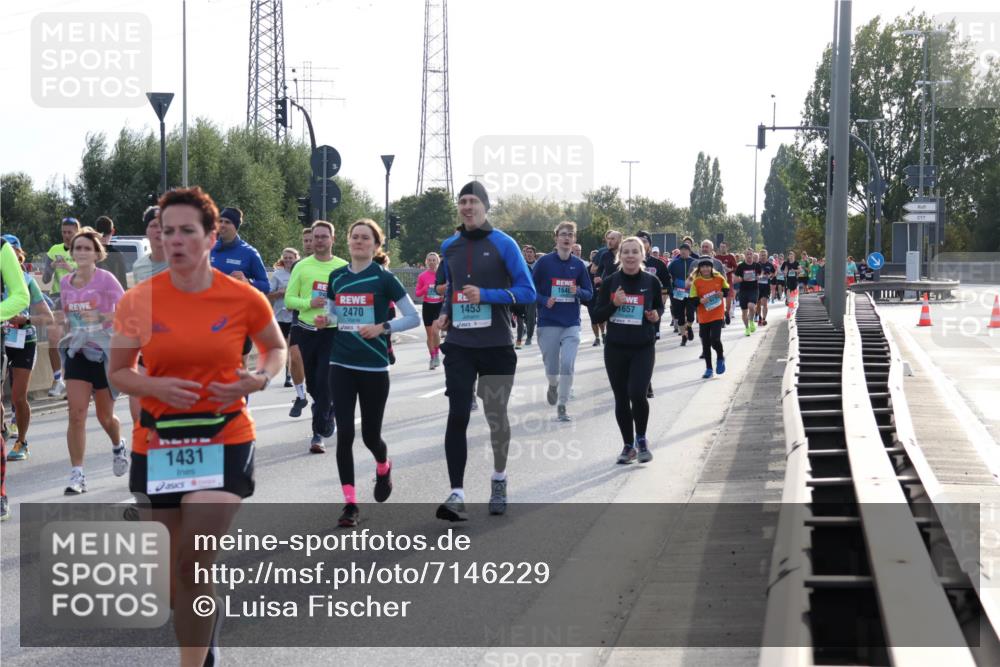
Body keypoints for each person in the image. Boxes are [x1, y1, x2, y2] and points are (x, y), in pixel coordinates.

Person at [110, 186, 286, 667]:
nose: (176, 240)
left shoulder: (243, 297)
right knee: (173, 580)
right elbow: (118, 372)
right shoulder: (138, 300)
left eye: (188, 230)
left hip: (224, 435)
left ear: (212, 237)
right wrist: (157, 388)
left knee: (194, 561)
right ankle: (203, 643)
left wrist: (260, 377)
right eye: (168, 232)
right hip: (159, 439)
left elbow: (274, 349)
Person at [435, 181, 535, 521]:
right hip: (460, 345)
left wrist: (488, 296)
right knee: (458, 413)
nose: (467, 207)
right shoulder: (449, 245)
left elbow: (527, 291)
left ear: (485, 207)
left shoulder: (504, 243)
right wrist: (446, 312)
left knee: (495, 416)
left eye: (473, 201)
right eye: (462, 201)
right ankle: (457, 493)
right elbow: (451, 289)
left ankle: (499, 478)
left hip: (496, 345)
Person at [320, 219, 420, 527]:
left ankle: (383, 465)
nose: (359, 242)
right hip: (341, 363)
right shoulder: (336, 276)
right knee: (345, 434)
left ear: (376, 246)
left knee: (370, 436)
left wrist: (382, 327)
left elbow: (413, 318)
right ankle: (350, 504)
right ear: (347, 242)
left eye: (366, 238)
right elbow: (332, 310)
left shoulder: (384, 278)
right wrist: (325, 318)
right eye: (355, 237)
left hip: (374, 366)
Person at [59, 227, 128, 494]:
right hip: (77, 352)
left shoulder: (107, 280)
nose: (82, 252)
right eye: (78, 248)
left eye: (88, 248)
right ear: (72, 252)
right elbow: (67, 316)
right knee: (76, 414)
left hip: (103, 352)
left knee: (104, 416)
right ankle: (77, 475)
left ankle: (118, 444)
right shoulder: (66, 282)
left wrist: (100, 319)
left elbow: (125, 311)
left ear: (97, 253)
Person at [591, 236, 663, 464]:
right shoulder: (611, 281)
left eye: (635, 252)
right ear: (619, 256)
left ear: (643, 255)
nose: (630, 256)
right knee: (621, 398)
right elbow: (597, 315)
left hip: (643, 347)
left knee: (637, 393)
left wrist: (654, 316)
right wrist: (614, 304)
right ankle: (627, 445)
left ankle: (641, 439)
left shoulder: (651, 282)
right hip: (615, 349)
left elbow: (658, 309)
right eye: (626, 252)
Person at [284, 220, 347, 452]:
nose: (320, 241)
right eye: (316, 237)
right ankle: (327, 408)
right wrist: (309, 303)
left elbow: (349, 302)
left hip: (332, 333)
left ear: (333, 239)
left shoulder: (343, 267)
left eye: (324, 236)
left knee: (323, 380)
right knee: (313, 385)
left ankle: (318, 433)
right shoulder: (302, 266)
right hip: (306, 330)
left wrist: (333, 312)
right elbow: (290, 301)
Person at [532, 221, 593, 422]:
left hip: (571, 323)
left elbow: (589, 294)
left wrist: (579, 292)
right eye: (563, 234)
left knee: (567, 363)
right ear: (556, 238)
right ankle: (552, 384)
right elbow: (530, 290)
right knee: (552, 366)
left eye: (570, 235)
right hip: (548, 322)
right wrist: (543, 300)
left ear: (574, 240)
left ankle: (562, 405)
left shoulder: (578, 265)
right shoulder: (544, 263)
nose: (566, 238)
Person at [3, 241, 55, 462]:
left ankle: (21, 441)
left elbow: (47, 318)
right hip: (2, 339)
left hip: (24, 341)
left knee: (17, 396)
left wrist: (25, 318)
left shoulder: (27, 282)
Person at [210, 207, 270, 362]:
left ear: (236, 226)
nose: (222, 225)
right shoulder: (209, 250)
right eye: (220, 221)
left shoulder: (249, 253)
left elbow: (266, 285)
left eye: (227, 222)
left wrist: (248, 282)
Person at [1, 236, 30, 520]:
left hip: (18, 340)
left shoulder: (1, 248)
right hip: (9, 338)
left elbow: (22, 297)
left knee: (13, 401)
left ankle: (0, 493)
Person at [42, 216, 80, 397]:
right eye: (63, 232)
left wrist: (69, 267)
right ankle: (58, 380)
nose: (66, 236)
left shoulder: (83, 249)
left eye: (69, 232)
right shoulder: (54, 250)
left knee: (76, 342)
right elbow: (45, 279)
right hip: (58, 298)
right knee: (53, 339)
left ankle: (76, 380)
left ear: (77, 233)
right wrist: (50, 267)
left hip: (80, 300)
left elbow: (90, 276)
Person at [690, 258, 730, 379]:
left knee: (715, 339)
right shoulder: (696, 282)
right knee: (706, 343)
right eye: (703, 267)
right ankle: (708, 368)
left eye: (708, 266)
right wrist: (700, 300)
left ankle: (720, 357)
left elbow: (726, 289)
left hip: (717, 314)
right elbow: (692, 299)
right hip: (703, 316)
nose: (705, 269)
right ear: (699, 269)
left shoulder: (719, 278)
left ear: (711, 268)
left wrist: (723, 293)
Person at [269, 247, 299, 386]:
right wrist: (279, 293)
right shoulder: (277, 275)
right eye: (285, 258)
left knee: (292, 347)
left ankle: (288, 375)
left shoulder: (300, 273)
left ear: (296, 259)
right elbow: (268, 295)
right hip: (280, 316)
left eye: (290, 258)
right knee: (282, 347)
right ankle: (281, 373)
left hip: (295, 316)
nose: (288, 260)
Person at [414, 251, 444, 369]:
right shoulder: (422, 276)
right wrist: (425, 289)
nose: (432, 262)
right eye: (429, 260)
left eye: (434, 260)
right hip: (427, 306)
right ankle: (432, 357)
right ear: (426, 262)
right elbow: (417, 293)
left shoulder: (442, 275)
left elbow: (448, 288)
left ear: (438, 262)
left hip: (439, 305)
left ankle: (436, 354)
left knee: (436, 332)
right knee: (430, 335)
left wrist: (443, 294)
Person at [666, 243, 698, 346]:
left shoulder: (694, 262)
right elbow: (667, 275)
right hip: (678, 292)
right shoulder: (674, 263)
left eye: (686, 250)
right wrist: (672, 284)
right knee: (679, 316)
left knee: (690, 314)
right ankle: (684, 336)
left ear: (689, 251)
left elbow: (699, 276)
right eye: (682, 250)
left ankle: (689, 326)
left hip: (691, 292)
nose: (683, 251)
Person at [132, 206, 168, 283]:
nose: (159, 230)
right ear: (146, 231)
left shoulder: (182, 263)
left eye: (163, 226)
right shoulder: (138, 266)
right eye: (154, 226)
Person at [513, 245, 539, 348]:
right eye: (527, 252)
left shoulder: (538, 266)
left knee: (531, 316)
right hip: (521, 294)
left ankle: (529, 337)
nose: (528, 254)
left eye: (530, 252)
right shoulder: (521, 265)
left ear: (534, 254)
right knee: (520, 316)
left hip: (533, 294)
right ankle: (519, 338)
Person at [94, 215, 129, 288]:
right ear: (112, 231)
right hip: (113, 296)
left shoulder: (89, 253)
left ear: (96, 231)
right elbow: (122, 283)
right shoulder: (117, 255)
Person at [733, 249, 760, 336]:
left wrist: (759, 277)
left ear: (753, 255)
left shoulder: (757, 265)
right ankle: (747, 328)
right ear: (745, 255)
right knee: (744, 312)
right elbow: (734, 279)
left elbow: (761, 275)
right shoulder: (741, 266)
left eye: (750, 254)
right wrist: (743, 279)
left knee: (751, 306)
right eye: (747, 254)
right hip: (743, 290)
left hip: (753, 289)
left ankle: (751, 321)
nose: (749, 256)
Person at [716, 241, 739, 325]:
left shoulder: (730, 257)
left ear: (727, 248)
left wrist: (730, 270)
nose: (723, 248)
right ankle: (721, 318)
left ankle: (727, 312)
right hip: (718, 282)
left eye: (724, 247)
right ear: (719, 248)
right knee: (720, 300)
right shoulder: (716, 257)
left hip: (728, 281)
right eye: (721, 247)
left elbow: (736, 268)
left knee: (729, 300)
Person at [756, 252, 774, 326]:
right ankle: (759, 317)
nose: (763, 257)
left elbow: (774, 273)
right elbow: (754, 273)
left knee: (765, 303)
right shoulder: (757, 265)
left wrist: (770, 276)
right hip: (757, 286)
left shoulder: (769, 265)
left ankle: (764, 319)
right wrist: (759, 276)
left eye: (764, 255)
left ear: (766, 256)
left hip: (766, 286)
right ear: (759, 256)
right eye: (761, 255)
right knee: (758, 304)